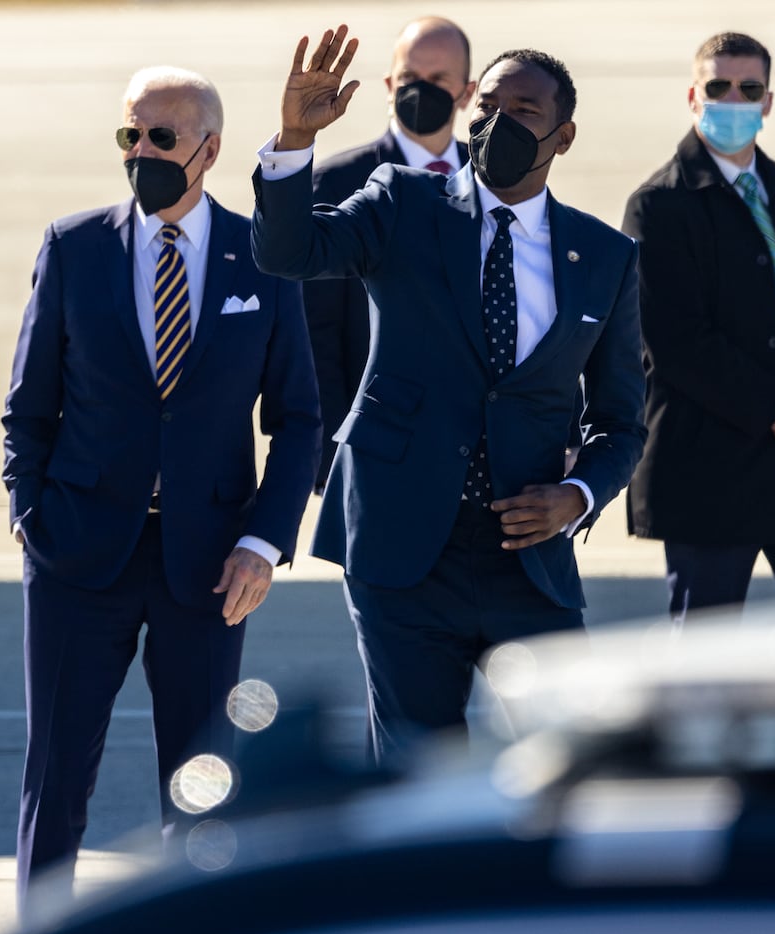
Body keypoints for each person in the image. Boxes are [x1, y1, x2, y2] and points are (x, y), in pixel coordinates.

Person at [252, 28, 646, 760]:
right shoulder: (403, 202)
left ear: (562, 136)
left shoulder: (604, 258)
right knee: (415, 772)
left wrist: (579, 496)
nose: (496, 122)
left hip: (526, 554)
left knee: (573, 764)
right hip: (402, 550)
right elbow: (289, 253)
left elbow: (621, 421)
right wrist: (292, 141)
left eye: (522, 110)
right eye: (486, 104)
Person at [3, 65, 320, 908]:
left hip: (208, 568)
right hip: (78, 559)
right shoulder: (74, 247)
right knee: (56, 776)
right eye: (128, 136)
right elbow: (27, 408)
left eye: (160, 138)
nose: (139, 152)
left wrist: (261, 541)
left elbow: (298, 420)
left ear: (208, 149)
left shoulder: (265, 260)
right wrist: (30, 518)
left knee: (202, 785)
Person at [621, 31, 775, 620]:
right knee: (704, 673)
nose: (733, 99)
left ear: (767, 102)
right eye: (718, 86)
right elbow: (676, 341)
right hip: (711, 477)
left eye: (748, 88)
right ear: (692, 96)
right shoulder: (657, 206)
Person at [303, 16, 476, 490]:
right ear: (388, 85)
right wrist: (334, 449)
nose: (421, 90)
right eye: (409, 78)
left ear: (466, 92)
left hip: (479, 449)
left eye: (439, 80)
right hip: (377, 446)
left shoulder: (493, 177)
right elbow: (315, 332)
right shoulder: (338, 181)